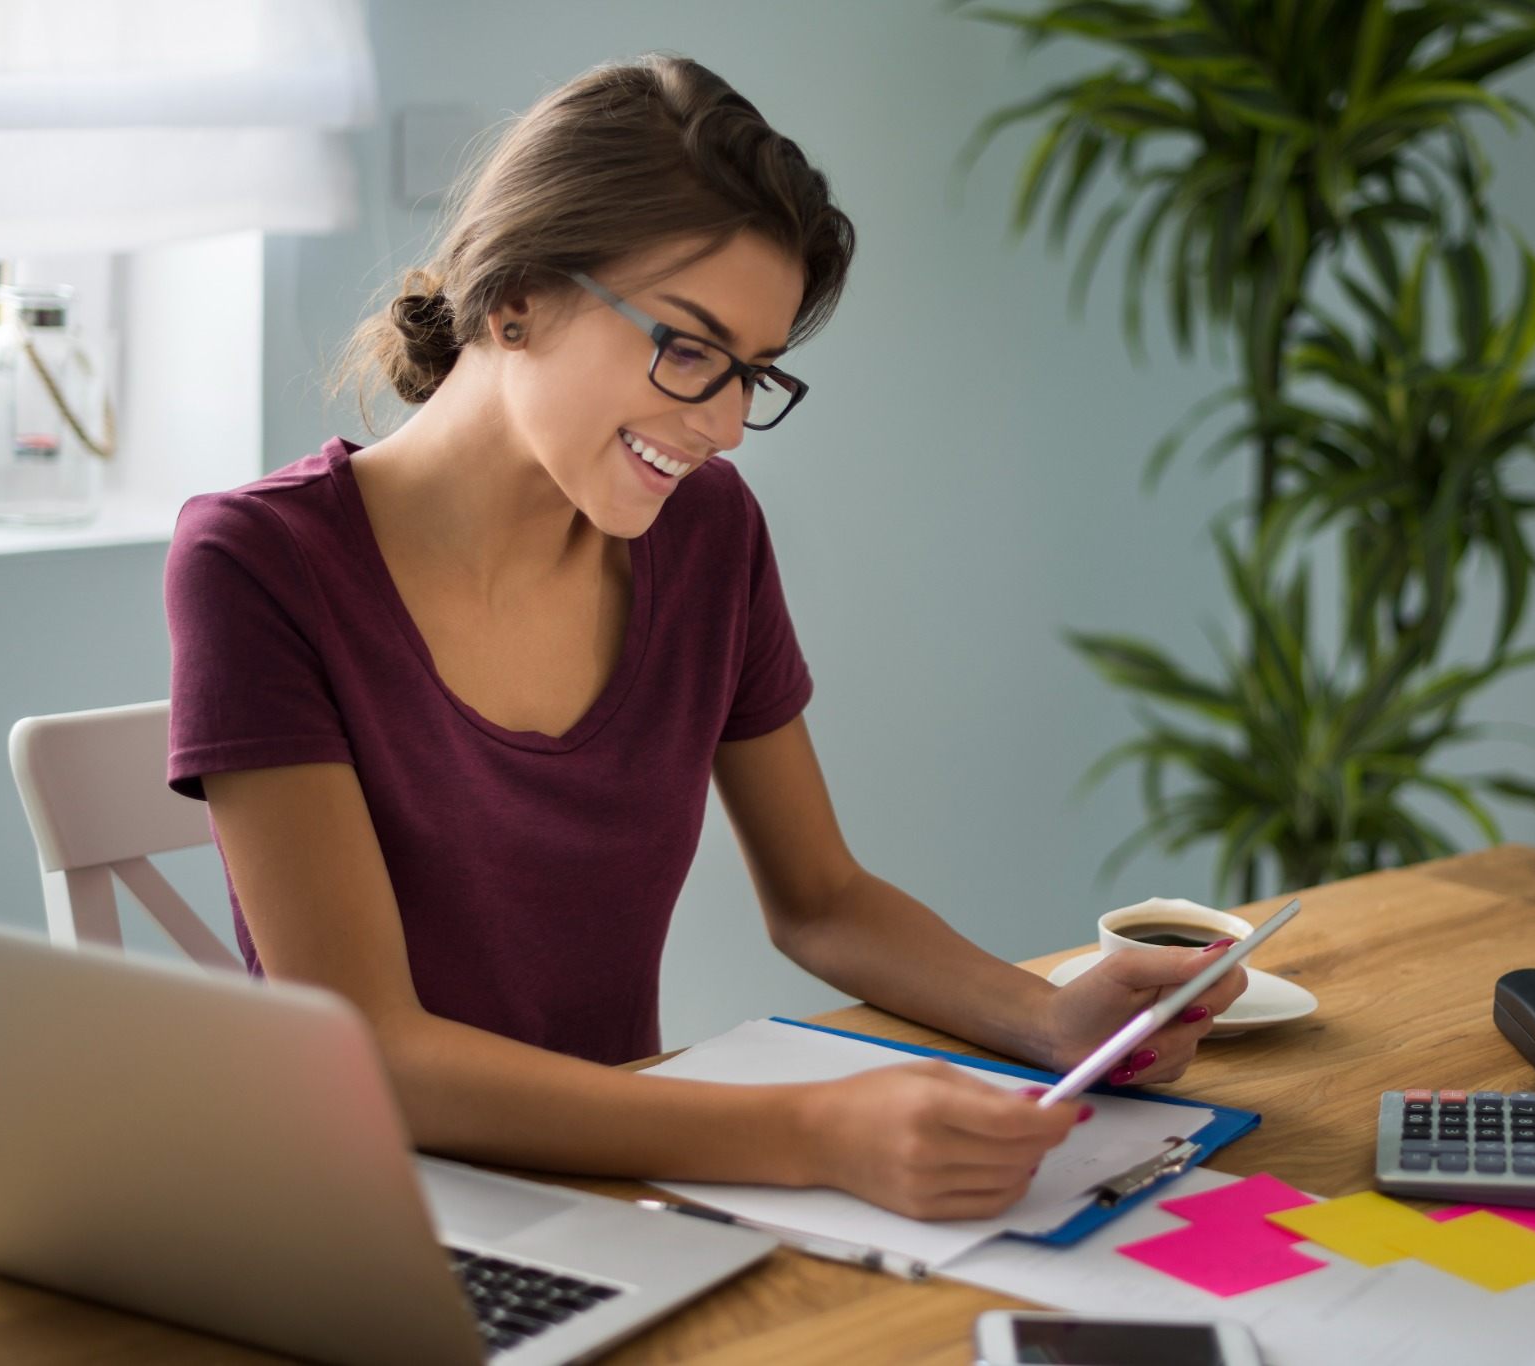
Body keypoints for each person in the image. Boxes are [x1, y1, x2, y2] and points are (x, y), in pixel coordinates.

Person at [163, 54, 1246, 1221]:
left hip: (622, 1198)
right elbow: (373, 1047)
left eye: (754, 373)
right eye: (687, 347)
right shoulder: (257, 562)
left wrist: (1047, 1015)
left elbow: (820, 896)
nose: (727, 425)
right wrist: (815, 1133)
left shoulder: (706, 535)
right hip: (364, 1215)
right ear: (517, 293)